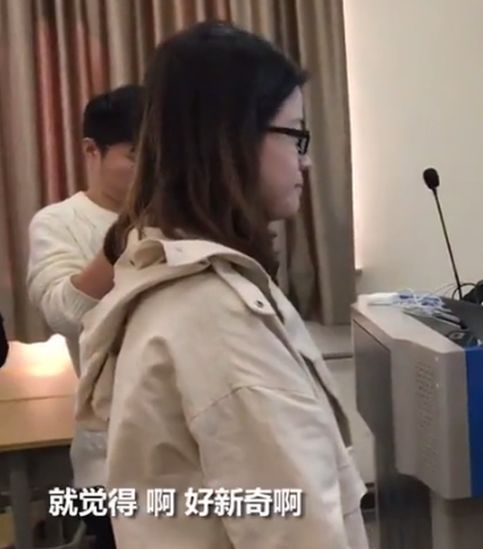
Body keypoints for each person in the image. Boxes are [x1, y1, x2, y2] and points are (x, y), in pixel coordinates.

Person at [75, 21, 367, 548]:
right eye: (295, 134)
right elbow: (296, 530)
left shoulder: (167, 279)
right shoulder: (218, 316)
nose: (305, 159)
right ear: (231, 138)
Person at [27, 83, 143, 549]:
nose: (150, 170)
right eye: (136, 156)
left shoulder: (183, 214)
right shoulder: (57, 222)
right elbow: (62, 313)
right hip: (107, 460)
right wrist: (124, 236)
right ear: (91, 150)